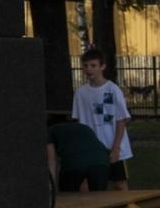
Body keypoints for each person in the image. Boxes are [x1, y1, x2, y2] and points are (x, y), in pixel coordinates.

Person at [72, 47, 132, 190]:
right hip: (91, 149)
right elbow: (79, 123)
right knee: (87, 185)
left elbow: (121, 120)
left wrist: (116, 148)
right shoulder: (80, 93)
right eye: (86, 66)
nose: (89, 69)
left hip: (112, 146)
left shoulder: (113, 90)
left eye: (93, 65)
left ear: (102, 66)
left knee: (120, 183)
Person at [48, 117, 112, 193]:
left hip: (74, 162)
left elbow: (51, 161)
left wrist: (50, 187)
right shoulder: (84, 126)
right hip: (101, 159)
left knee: (67, 196)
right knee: (99, 196)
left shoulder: (50, 131)